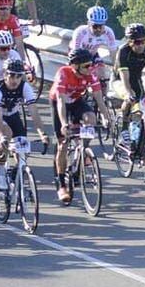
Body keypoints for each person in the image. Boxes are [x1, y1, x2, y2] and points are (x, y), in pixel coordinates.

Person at [50, 47, 116, 204]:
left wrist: (106, 119)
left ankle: (83, 151)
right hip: (60, 103)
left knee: (91, 118)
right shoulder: (63, 74)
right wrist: (64, 123)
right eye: (86, 66)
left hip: (77, 101)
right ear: (75, 66)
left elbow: (99, 99)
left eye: (91, 65)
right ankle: (61, 183)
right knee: (63, 144)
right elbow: (60, 102)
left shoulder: (91, 74)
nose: (90, 68)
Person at [0, 58, 38, 195]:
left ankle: (17, 175)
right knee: (7, 134)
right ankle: (0, 170)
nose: (15, 79)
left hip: (13, 115)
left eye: (18, 76)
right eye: (11, 75)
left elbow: (33, 111)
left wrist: (42, 133)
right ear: (5, 74)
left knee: (22, 149)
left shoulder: (24, 87)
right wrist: (2, 136)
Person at [71, 6, 119, 92]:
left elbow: (113, 53)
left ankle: (101, 100)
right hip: (77, 56)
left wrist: (116, 70)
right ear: (89, 23)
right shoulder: (80, 32)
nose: (98, 29)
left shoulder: (108, 33)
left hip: (92, 55)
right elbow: (75, 53)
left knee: (102, 76)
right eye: (95, 26)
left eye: (101, 26)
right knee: (79, 75)